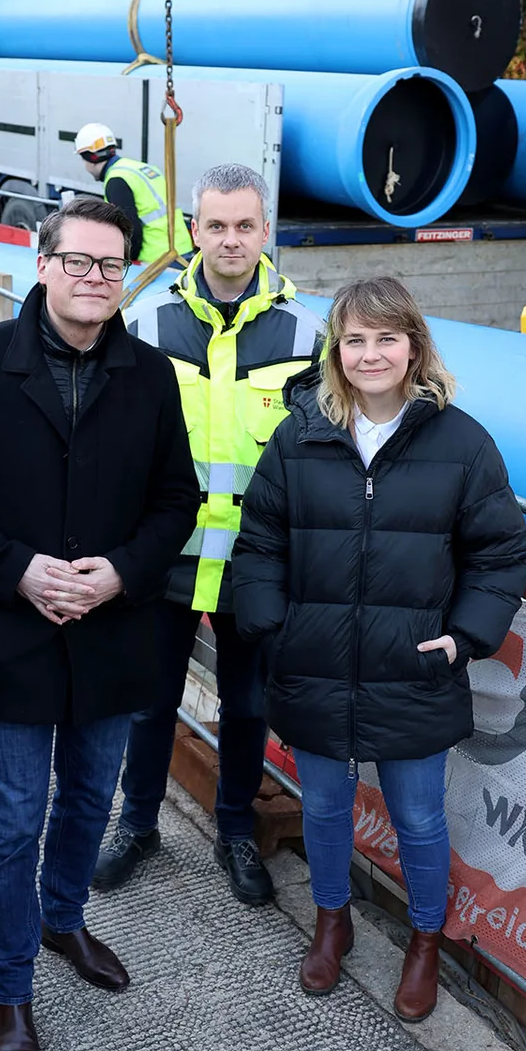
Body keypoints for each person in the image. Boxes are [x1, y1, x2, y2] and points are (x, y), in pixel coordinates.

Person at [0, 194, 199, 1051]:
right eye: (79, 262)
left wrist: (121, 572)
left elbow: (175, 502)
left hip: (112, 632)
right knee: (13, 822)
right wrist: (18, 570)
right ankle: (12, 990)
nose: (95, 280)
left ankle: (64, 918)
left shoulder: (149, 377)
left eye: (111, 267)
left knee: (86, 802)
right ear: (43, 264)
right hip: (12, 634)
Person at [232, 275, 526, 1020]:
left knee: (419, 818)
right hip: (317, 661)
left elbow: (500, 555)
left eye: (386, 338)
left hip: (414, 666)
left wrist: (464, 639)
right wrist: (273, 623)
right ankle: (333, 922)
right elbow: (261, 538)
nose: (370, 354)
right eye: (355, 339)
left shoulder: (463, 444)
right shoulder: (298, 435)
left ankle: (425, 940)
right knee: (326, 809)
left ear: (414, 346)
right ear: (337, 349)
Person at [95, 164, 323, 906]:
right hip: (164, 559)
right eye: (216, 225)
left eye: (244, 226)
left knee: (248, 706)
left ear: (266, 232)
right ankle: (138, 826)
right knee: (148, 699)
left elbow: (317, 457)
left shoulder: (306, 334)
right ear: (194, 231)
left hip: (256, 564)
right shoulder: (147, 324)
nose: (230, 240)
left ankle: (233, 831)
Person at [72, 120, 187, 267]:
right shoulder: (141, 168)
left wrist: (125, 263)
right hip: (182, 251)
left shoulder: (116, 180)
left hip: (157, 260)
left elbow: (131, 231)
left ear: (90, 157)